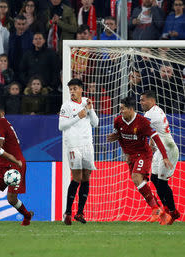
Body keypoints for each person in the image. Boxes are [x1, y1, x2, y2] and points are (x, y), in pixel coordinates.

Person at [107, 97, 173, 225]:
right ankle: (162, 213)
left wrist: (164, 156)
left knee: (136, 177)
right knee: (140, 183)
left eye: (122, 109)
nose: (120, 111)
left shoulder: (142, 122)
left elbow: (156, 138)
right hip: (131, 156)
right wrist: (126, 152)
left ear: (131, 109)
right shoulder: (118, 121)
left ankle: (155, 209)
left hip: (143, 154)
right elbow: (120, 137)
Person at [58, 79, 98, 225]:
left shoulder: (86, 101)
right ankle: (68, 212)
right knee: (77, 177)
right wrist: (78, 116)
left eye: (75, 88)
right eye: (70, 89)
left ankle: (80, 212)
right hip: (73, 145)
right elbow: (61, 126)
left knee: (86, 176)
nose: (72, 92)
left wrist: (90, 110)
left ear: (81, 89)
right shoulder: (66, 106)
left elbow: (95, 123)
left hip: (87, 145)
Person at [140, 91, 181, 224]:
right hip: (159, 149)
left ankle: (172, 212)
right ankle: (167, 209)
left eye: (143, 100)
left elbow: (141, 128)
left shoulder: (153, 114)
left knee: (162, 183)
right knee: (154, 179)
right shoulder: (152, 111)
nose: (141, 103)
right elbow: (152, 131)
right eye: (140, 100)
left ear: (152, 101)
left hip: (168, 149)